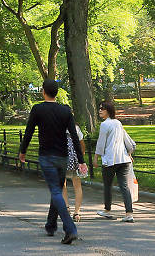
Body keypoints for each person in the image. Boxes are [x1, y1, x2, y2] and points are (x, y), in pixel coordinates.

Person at [19, 79, 86, 245]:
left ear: (43, 92)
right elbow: (75, 138)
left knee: (56, 191)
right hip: (63, 157)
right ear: (56, 93)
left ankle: (70, 229)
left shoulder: (38, 109)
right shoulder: (65, 111)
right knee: (56, 188)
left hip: (47, 156)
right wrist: (81, 160)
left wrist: (22, 151)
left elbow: (28, 132)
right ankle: (50, 224)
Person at [94, 101, 136, 223]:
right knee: (124, 187)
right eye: (99, 108)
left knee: (108, 186)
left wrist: (96, 157)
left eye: (102, 108)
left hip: (110, 160)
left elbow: (101, 143)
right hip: (124, 159)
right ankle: (129, 214)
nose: (100, 110)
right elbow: (125, 139)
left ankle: (107, 210)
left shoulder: (105, 125)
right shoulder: (118, 123)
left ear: (108, 110)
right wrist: (129, 153)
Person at [62, 122, 86, 223]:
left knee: (62, 184)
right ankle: (77, 212)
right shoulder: (76, 128)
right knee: (77, 185)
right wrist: (81, 158)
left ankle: (66, 208)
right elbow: (82, 144)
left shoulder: (57, 126)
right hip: (75, 160)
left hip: (62, 158)